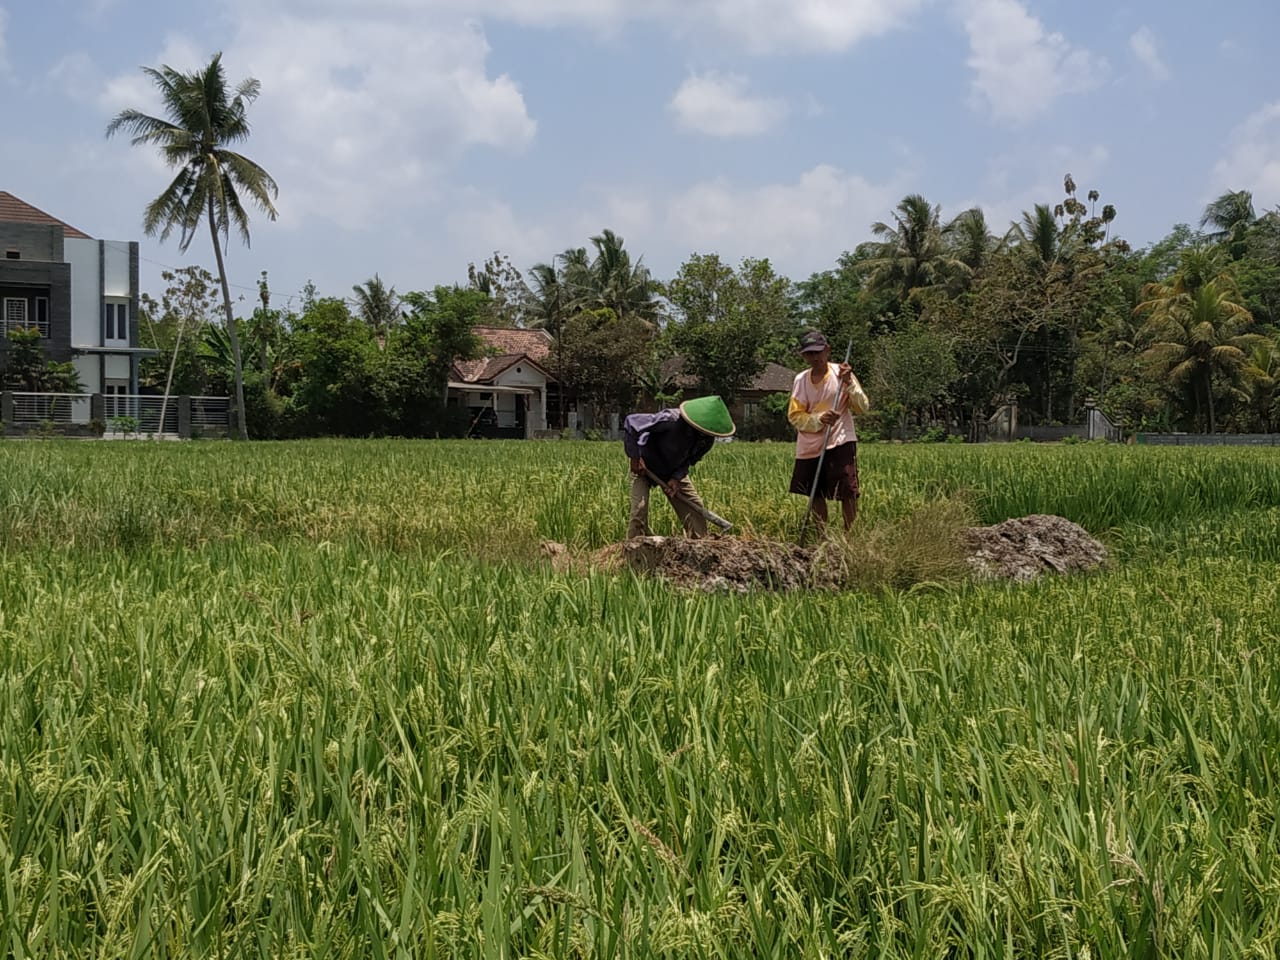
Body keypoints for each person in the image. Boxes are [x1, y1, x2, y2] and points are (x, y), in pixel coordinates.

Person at [787, 330, 870, 532]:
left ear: (827, 350)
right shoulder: (801, 380)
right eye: (810, 354)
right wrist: (819, 419)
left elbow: (862, 407)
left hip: (840, 439)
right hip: (810, 445)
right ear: (803, 356)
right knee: (815, 493)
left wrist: (849, 383)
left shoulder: (842, 374)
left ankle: (849, 536)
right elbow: (795, 416)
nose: (815, 358)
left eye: (818, 352)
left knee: (847, 491)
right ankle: (821, 536)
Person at [623, 395, 735, 539]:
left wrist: (676, 478)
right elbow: (631, 423)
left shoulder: (706, 441)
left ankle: (700, 544)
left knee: (694, 508)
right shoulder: (670, 419)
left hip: (672, 470)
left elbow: (689, 461)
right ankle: (636, 546)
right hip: (645, 466)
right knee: (639, 509)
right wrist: (635, 458)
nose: (706, 434)